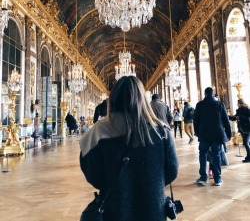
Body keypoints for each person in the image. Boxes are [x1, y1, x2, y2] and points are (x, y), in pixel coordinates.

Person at [79, 76, 179, 221]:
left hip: (114, 208)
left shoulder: (98, 131)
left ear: (113, 98)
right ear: (143, 99)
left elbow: (92, 174)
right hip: (153, 208)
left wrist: (119, 183)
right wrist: (151, 182)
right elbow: (172, 171)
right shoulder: (161, 131)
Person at [193, 87, 231, 186]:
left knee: (203, 155)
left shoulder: (199, 105)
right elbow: (226, 121)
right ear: (213, 94)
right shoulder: (219, 104)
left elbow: (195, 121)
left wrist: (197, 132)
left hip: (204, 134)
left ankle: (203, 177)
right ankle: (217, 179)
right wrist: (228, 134)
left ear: (205, 94)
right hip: (217, 134)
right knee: (217, 155)